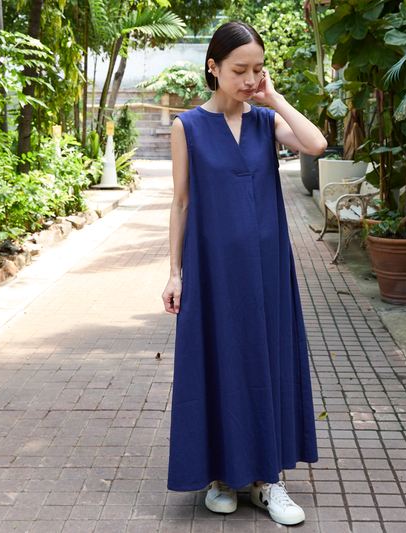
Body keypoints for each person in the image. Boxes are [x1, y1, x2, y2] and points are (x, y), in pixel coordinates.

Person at [161, 20, 327, 526]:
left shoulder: (265, 121)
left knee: (266, 361)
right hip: (211, 271)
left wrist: (275, 99)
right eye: (240, 70)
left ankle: (267, 480)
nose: (250, 79)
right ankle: (220, 476)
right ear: (213, 68)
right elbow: (181, 203)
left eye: (258, 69)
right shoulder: (188, 126)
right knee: (218, 362)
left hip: (267, 270)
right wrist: (175, 273)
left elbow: (316, 144)